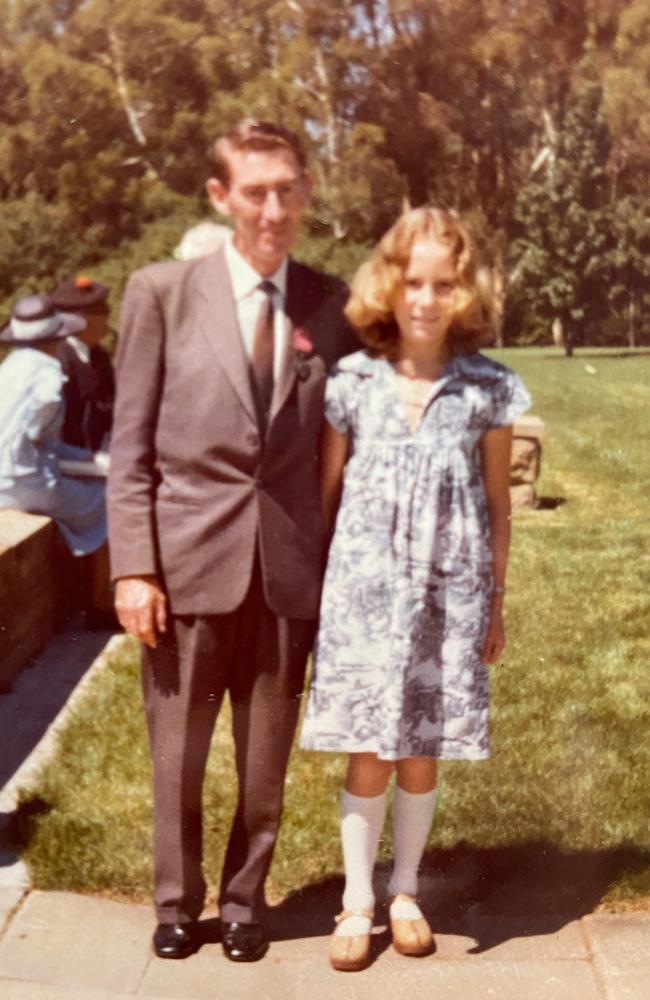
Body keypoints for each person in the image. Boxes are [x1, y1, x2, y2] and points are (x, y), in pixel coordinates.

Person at [107, 119, 356, 963]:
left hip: (287, 566)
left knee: (264, 760)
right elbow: (129, 445)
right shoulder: (161, 293)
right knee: (177, 755)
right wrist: (133, 566)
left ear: (305, 193)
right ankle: (177, 903)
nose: (274, 208)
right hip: (184, 565)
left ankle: (246, 902)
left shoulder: (332, 303)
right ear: (221, 197)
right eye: (255, 191)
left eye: (288, 189)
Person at [300, 207, 531, 971]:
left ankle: (405, 893)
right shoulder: (352, 382)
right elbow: (327, 499)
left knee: (422, 746)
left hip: (447, 597)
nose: (426, 300)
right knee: (369, 746)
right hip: (363, 597)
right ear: (388, 288)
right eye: (413, 283)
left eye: (443, 285)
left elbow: (498, 504)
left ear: (462, 293)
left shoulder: (486, 387)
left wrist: (495, 600)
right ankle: (357, 901)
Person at [0, 293, 112, 624]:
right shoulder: (49, 372)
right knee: (106, 501)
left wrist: (93, 458)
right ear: (57, 335)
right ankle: (99, 605)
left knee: (89, 485)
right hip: (24, 485)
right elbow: (35, 436)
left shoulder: (9, 367)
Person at [51, 276, 115, 452]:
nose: (108, 315)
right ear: (81, 320)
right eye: (102, 310)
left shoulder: (99, 356)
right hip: (68, 464)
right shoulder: (58, 361)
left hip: (99, 456)